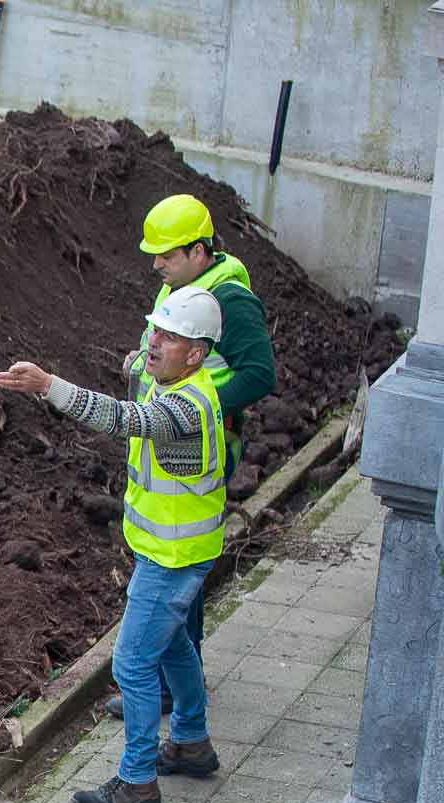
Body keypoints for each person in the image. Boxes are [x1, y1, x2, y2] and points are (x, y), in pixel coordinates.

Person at [0, 286, 229, 803]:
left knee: (132, 662)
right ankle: (192, 741)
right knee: (171, 648)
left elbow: (122, 418)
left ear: (195, 354)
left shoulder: (183, 409)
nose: (155, 343)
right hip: (175, 550)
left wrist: (48, 384)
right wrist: (137, 357)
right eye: (156, 331)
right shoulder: (176, 376)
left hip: (173, 559)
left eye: (170, 337)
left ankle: (137, 781)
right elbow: (138, 371)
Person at [103, 193, 275, 718]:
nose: (156, 264)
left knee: (182, 562)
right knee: (169, 560)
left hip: (200, 443)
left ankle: (169, 688)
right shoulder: (183, 285)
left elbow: (259, 374)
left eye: (168, 255)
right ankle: (177, 696)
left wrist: (195, 408)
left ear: (200, 251)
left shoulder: (229, 301)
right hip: (169, 438)